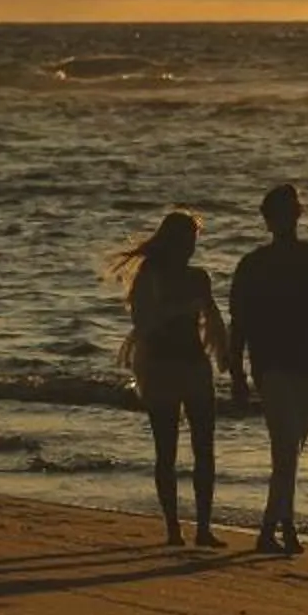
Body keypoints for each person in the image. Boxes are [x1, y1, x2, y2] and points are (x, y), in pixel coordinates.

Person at [228, 182, 308, 555]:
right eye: (276, 215)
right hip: (270, 365)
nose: (283, 220)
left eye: (288, 212)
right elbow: (239, 321)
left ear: (297, 215)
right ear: (268, 221)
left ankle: (286, 524)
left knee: (292, 447)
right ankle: (270, 529)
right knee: (285, 449)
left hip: (307, 362)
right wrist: (236, 372)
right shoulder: (253, 264)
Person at [105, 209, 229, 547]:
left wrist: (226, 356)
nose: (190, 246)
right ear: (171, 240)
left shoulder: (198, 277)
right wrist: (177, 310)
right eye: (185, 239)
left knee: (205, 448)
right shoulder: (150, 274)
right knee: (167, 450)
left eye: (194, 239)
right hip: (160, 366)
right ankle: (173, 528)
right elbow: (144, 323)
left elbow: (213, 319)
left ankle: (204, 528)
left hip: (195, 363)